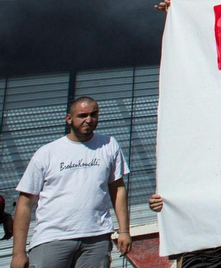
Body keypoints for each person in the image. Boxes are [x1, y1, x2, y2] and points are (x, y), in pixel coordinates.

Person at [10, 97, 131, 268]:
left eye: (93, 114)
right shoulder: (47, 153)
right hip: (52, 238)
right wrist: (18, 253)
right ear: (69, 119)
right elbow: (25, 202)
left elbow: (117, 189)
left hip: (96, 238)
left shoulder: (109, 145)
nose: (88, 120)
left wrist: (124, 231)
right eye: (82, 115)